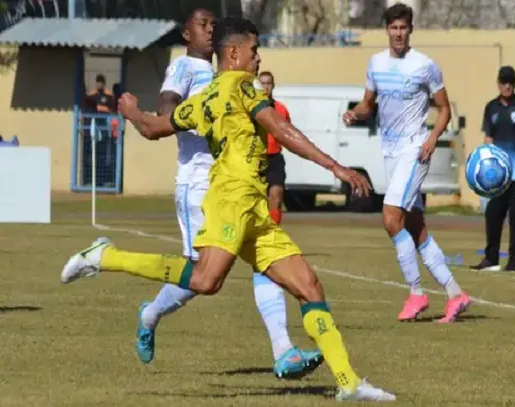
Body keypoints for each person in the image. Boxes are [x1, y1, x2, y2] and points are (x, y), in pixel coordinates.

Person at [60, 16, 395, 401]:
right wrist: (336, 167)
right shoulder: (242, 87)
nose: (259, 58)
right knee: (205, 281)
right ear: (233, 53)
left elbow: (154, 129)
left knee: (309, 286)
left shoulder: (205, 99)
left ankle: (348, 383)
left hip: (253, 208)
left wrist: (133, 112)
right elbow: (280, 130)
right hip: (230, 201)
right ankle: (105, 256)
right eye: (254, 50)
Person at [130, 8, 322, 379]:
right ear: (186, 34)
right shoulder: (184, 69)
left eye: (212, 25)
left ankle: (283, 350)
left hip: (236, 182)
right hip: (199, 183)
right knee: (200, 280)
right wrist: (205, 113)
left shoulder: (235, 75)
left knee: (264, 260)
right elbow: (167, 109)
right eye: (201, 25)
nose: (209, 29)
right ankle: (150, 312)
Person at [343, 3, 470, 323]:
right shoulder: (375, 63)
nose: (398, 34)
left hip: (415, 150)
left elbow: (444, 109)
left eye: (403, 28)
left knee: (390, 216)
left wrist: (430, 140)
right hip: (389, 152)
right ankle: (456, 294)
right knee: (415, 227)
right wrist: (355, 113)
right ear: (387, 30)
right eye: (393, 28)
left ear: (410, 30)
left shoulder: (425, 66)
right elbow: (368, 103)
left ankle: (416, 293)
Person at [471, 66, 515, 272]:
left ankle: (514, 261)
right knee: (493, 214)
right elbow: (488, 138)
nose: (507, 86)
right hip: (498, 175)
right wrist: (486, 167)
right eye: (504, 82)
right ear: (498, 83)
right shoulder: (491, 108)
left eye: (511, 82)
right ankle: (491, 258)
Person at [258, 71, 288, 224]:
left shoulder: (281, 109)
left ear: (273, 86)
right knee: (257, 201)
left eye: (268, 83)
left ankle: (274, 233)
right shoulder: (250, 109)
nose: (265, 87)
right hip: (256, 158)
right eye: (262, 83)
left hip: (275, 157)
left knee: (276, 195)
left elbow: (288, 133)